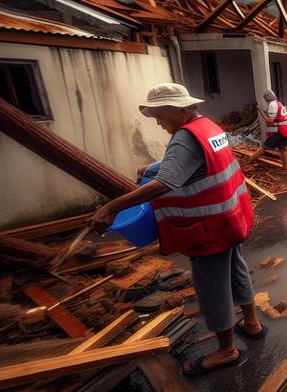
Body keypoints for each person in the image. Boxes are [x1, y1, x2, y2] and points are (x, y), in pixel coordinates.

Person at [88, 83, 262, 375]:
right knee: (236, 269)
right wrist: (154, 167)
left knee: (212, 288)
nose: (157, 122)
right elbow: (188, 162)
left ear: (176, 110)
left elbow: (167, 182)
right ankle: (253, 324)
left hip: (207, 228)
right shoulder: (207, 127)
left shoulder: (184, 138)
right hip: (230, 216)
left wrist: (111, 207)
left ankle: (226, 350)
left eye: (159, 115)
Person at [246, 89, 287, 170]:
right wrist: (262, 110)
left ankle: (248, 162)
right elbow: (271, 116)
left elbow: (270, 122)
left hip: (279, 130)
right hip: (285, 129)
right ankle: (285, 168)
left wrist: (260, 109)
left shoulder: (272, 105)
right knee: (282, 148)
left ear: (266, 98)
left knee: (264, 147)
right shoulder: (278, 103)